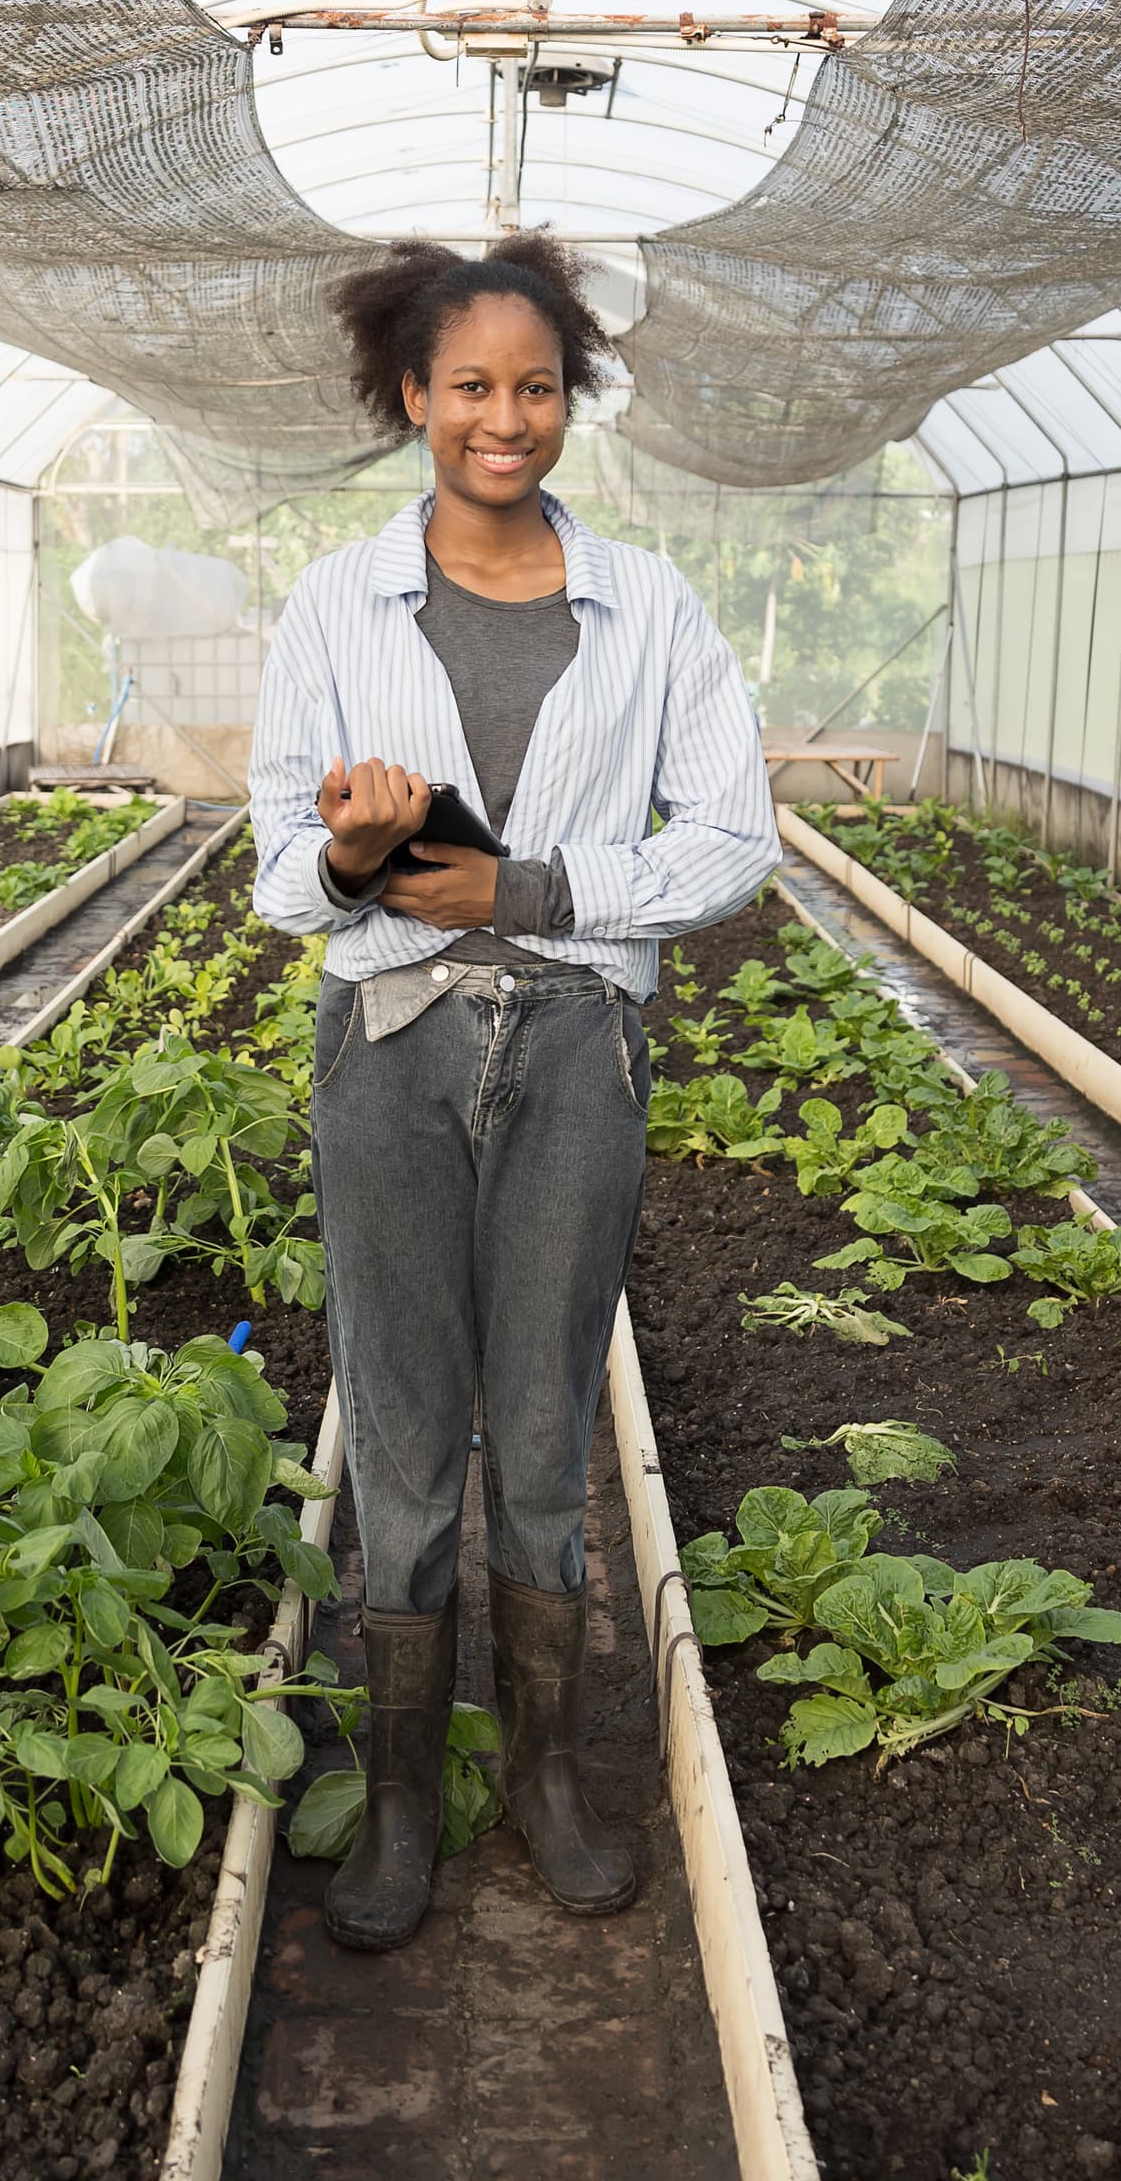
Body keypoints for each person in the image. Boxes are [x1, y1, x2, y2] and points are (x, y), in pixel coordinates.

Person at [251, 234, 778, 1951]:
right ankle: (403, 1798)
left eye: (535, 387)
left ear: (571, 403)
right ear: (413, 397)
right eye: (469, 387)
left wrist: (530, 892)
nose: (504, 418)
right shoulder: (339, 602)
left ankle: (547, 1777)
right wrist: (344, 852)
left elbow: (733, 842)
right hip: (389, 1051)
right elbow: (273, 861)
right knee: (403, 1429)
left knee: (544, 1430)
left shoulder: (650, 606)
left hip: (574, 1049)